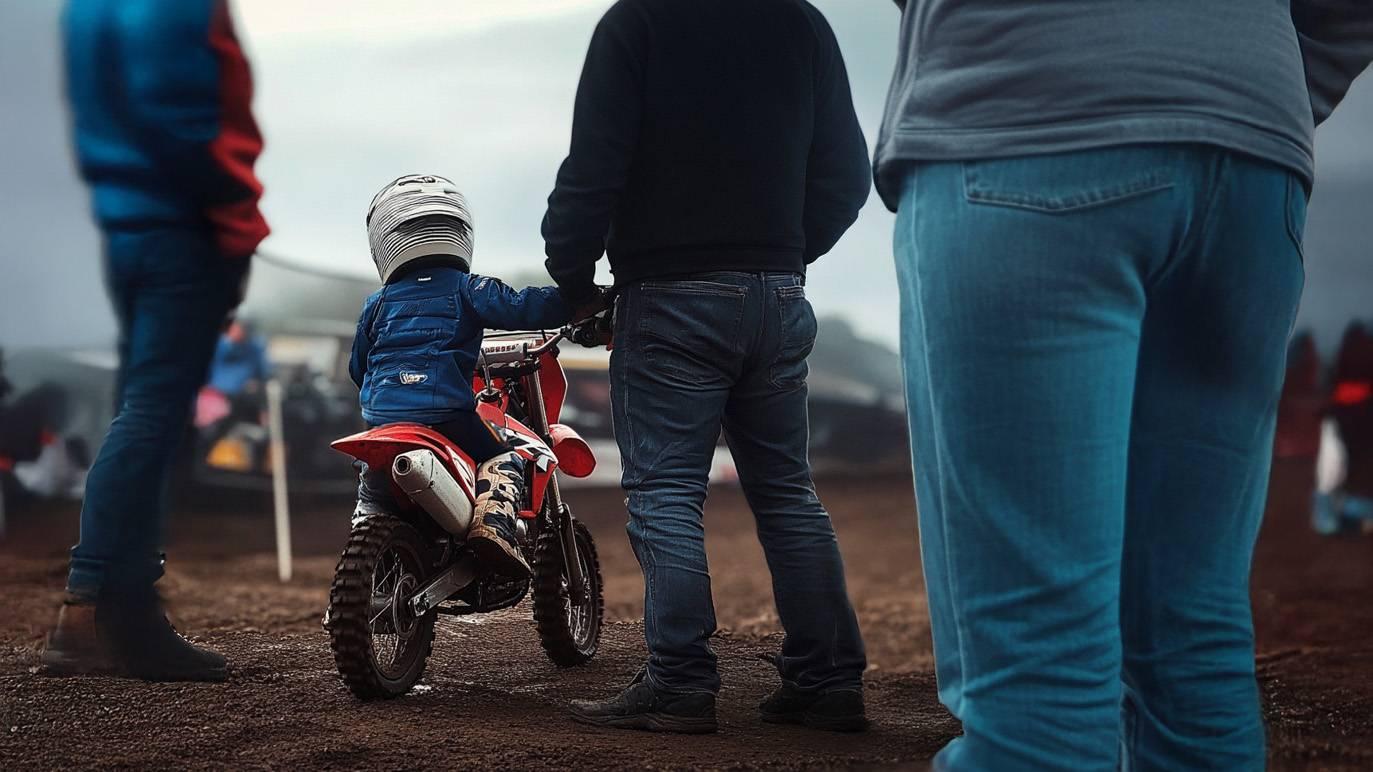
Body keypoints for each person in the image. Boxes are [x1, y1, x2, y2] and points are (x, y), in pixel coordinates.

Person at [876, 1, 1373, 768]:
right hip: (1250, 157)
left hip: (1026, 113)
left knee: (1039, 671)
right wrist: (1238, 72)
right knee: (1192, 639)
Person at [543, 0, 871, 734]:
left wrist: (574, 280)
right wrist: (783, 252)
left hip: (669, 297)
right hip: (778, 294)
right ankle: (827, 682)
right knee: (787, 493)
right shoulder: (802, 23)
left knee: (665, 493)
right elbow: (848, 176)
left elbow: (592, 168)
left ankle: (680, 683)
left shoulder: (637, 23)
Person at [44, 0, 269, 682]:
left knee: (142, 413)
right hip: (183, 226)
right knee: (152, 416)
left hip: (128, 224)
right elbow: (183, 118)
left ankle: (113, 611)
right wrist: (237, 220)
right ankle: (100, 610)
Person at [350, 175, 577, 577]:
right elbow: (523, 308)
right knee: (503, 454)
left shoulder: (377, 304)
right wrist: (581, 299)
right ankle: (493, 528)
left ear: (384, 238)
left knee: (372, 494)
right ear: (458, 230)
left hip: (381, 420)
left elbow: (358, 367)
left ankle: (361, 559)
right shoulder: (467, 288)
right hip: (446, 415)